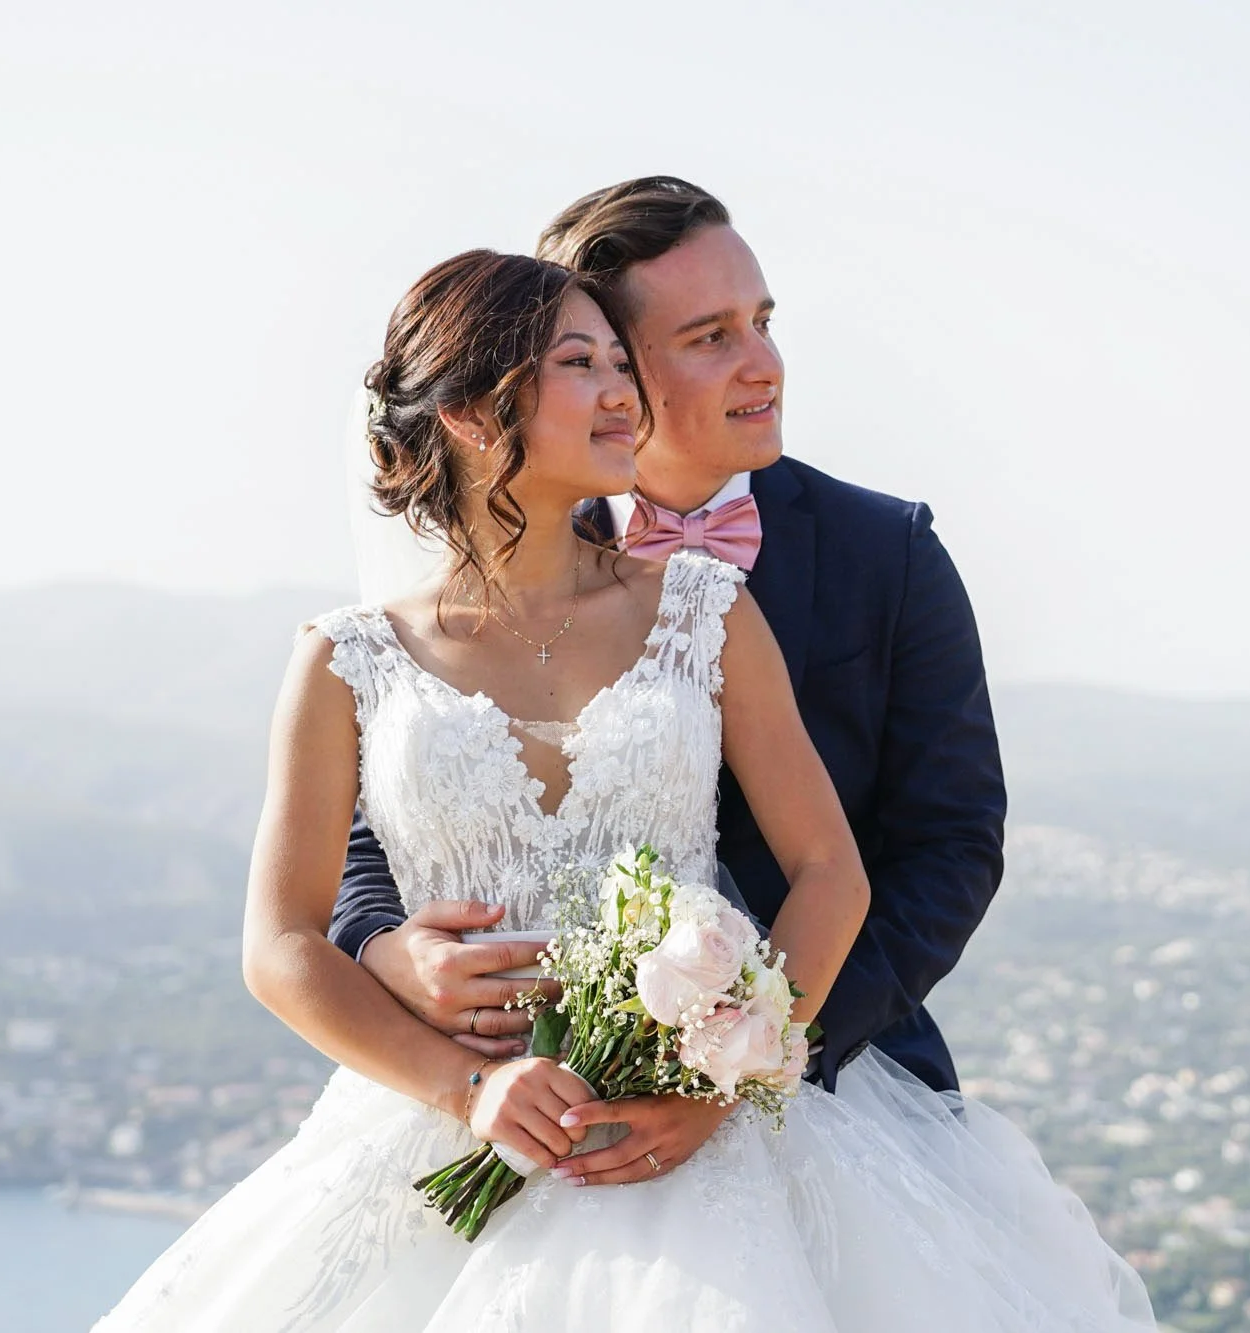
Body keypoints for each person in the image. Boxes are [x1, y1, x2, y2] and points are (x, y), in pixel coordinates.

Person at [97, 248, 1155, 1330]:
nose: (621, 392)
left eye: (620, 361)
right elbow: (280, 945)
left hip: (710, 1147)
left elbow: (829, 868)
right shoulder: (345, 660)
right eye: (579, 364)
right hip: (446, 1127)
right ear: (468, 412)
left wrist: (721, 1080)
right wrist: (467, 1087)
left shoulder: (704, 609)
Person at [330, 180, 1007, 1171]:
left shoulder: (889, 551)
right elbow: (377, 832)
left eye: (761, 322)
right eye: (710, 337)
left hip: (837, 1082)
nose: (763, 363)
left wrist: (740, 1058)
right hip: (513, 1088)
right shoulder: (493, 559)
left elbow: (949, 848)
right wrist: (392, 951)